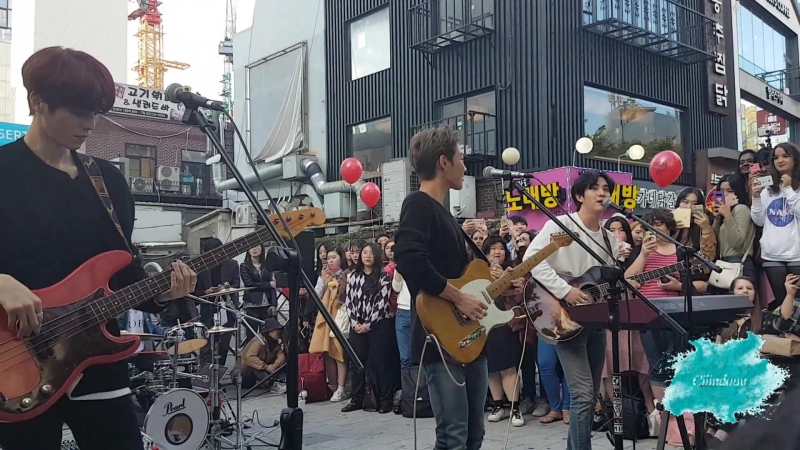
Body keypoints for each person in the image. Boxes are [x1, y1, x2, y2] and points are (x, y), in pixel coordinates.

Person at [0, 47, 196, 450]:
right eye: (79, 111)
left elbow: (123, 272)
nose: (90, 124)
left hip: (97, 360)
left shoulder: (107, 181)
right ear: (38, 102)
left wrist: (162, 293)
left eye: (96, 112)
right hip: (15, 363)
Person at [394, 125, 500, 450]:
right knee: (453, 436)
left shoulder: (445, 215)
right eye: (461, 159)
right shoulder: (418, 204)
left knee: (473, 435)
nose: (465, 167)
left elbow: (460, 277)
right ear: (444, 162)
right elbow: (409, 259)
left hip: (468, 339)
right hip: (439, 340)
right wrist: (460, 299)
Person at [523, 169, 620, 450]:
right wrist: (566, 291)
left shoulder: (608, 239)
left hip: (596, 318)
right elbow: (532, 259)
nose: (603, 193)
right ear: (579, 195)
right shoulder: (561, 225)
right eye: (595, 188)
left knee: (588, 397)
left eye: (606, 188)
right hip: (560, 316)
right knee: (582, 393)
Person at [751, 142, 800, 309]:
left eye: (785, 156)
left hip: (797, 255)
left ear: (795, 159)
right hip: (772, 255)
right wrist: (756, 197)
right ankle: (785, 334)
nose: (780, 160)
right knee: (781, 302)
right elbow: (759, 221)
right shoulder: (768, 189)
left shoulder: (796, 188)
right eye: (776, 157)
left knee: (797, 303)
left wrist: (788, 189)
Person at [241, 318, 287, 393]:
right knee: (256, 368)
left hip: (264, 368)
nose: (278, 333)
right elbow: (250, 357)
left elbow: (281, 356)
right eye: (276, 330)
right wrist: (266, 367)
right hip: (244, 373)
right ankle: (272, 384)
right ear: (269, 332)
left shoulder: (274, 343)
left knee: (280, 367)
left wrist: (274, 365)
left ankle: (282, 381)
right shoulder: (258, 342)